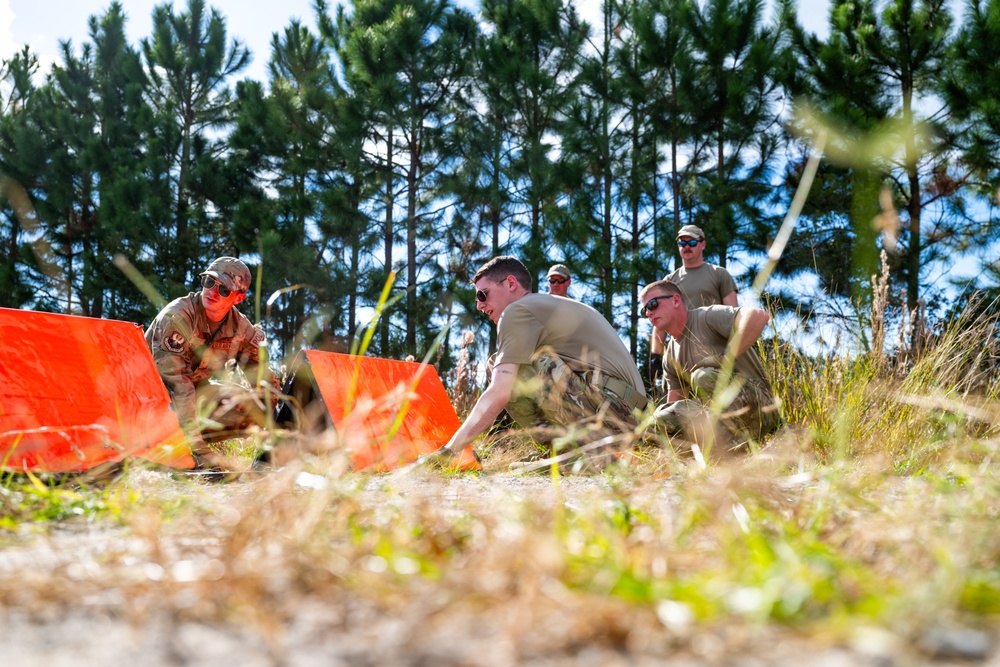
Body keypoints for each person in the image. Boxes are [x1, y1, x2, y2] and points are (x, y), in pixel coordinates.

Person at [428, 256, 647, 470]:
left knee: (512, 367)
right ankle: (568, 452)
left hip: (615, 416)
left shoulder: (516, 311)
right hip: (630, 417)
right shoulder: (543, 305)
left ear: (511, 283)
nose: (479, 305)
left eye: (483, 294)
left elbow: (500, 391)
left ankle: (586, 453)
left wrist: (449, 451)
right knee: (507, 363)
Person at [145, 256, 275, 467]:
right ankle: (175, 448)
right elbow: (178, 386)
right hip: (150, 400)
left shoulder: (241, 328)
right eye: (209, 282)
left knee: (245, 401)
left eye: (224, 290)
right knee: (176, 403)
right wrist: (200, 451)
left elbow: (264, 380)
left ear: (238, 298)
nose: (212, 292)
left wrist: (272, 438)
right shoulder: (178, 317)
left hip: (191, 398)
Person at [640, 279, 781, 448]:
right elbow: (675, 406)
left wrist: (726, 358)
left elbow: (759, 316)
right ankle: (718, 452)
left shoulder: (706, 317)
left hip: (761, 410)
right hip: (719, 420)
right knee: (658, 420)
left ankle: (737, 449)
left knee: (703, 376)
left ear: (676, 300)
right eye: (644, 310)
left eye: (652, 304)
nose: (648, 313)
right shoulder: (670, 355)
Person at [649, 225, 738, 389]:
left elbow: (734, 316)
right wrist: (655, 355)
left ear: (702, 244)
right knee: (675, 409)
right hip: (680, 358)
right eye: (682, 243)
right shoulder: (668, 282)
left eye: (692, 242)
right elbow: (659, 322)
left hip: (713, 356)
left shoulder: (719, 274)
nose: (687, 247)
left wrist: (730, 353)